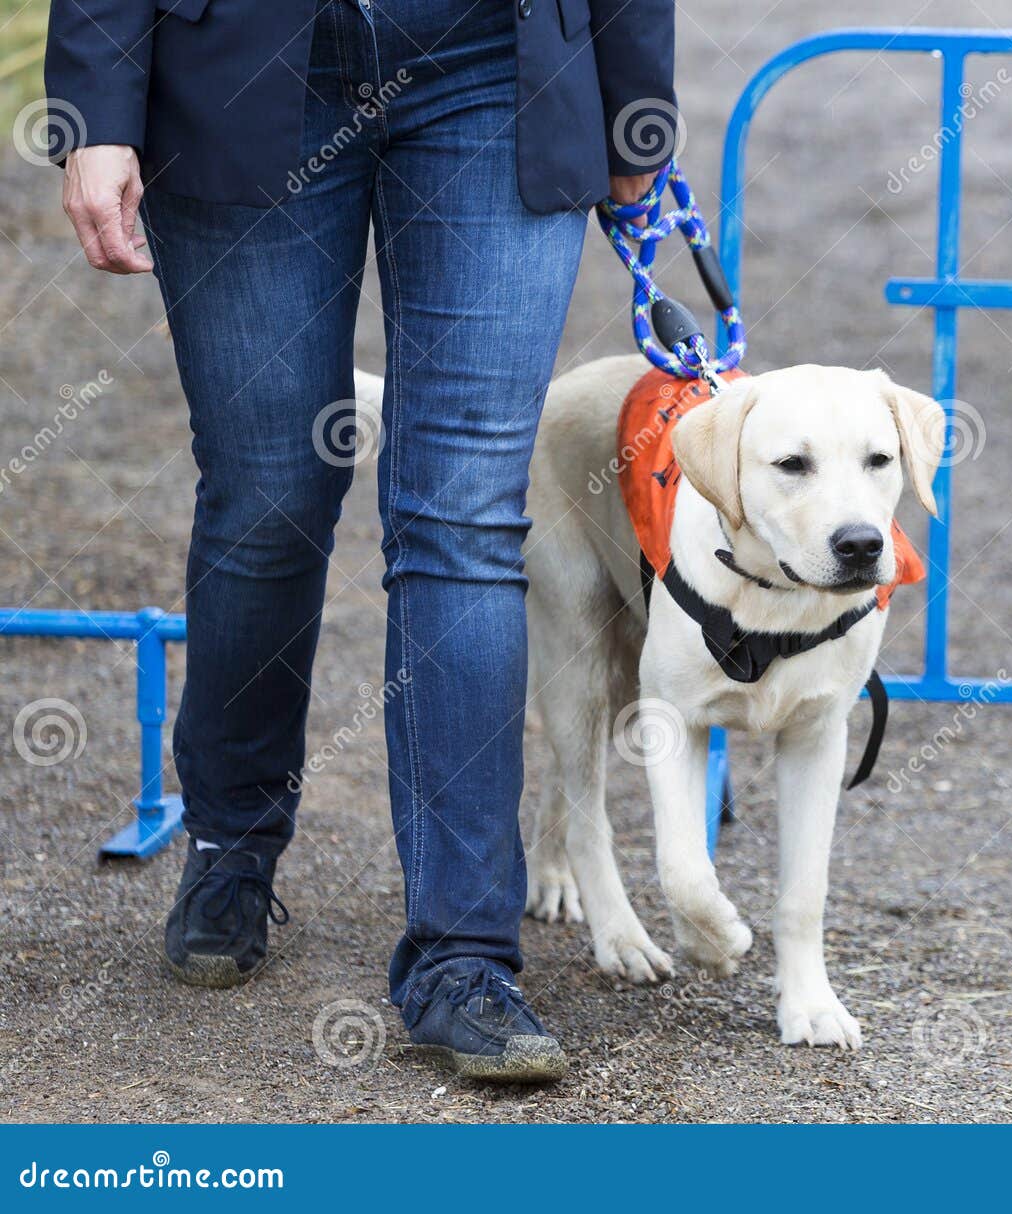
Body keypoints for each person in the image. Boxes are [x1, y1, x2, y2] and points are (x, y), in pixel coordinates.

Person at [44, 0, 674, 1083]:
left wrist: (636, 105)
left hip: (498, 64)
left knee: (466, 513)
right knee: (269, 492)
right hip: (237, 64)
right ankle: (230, 842)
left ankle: (464, 956)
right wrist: (97, 105)